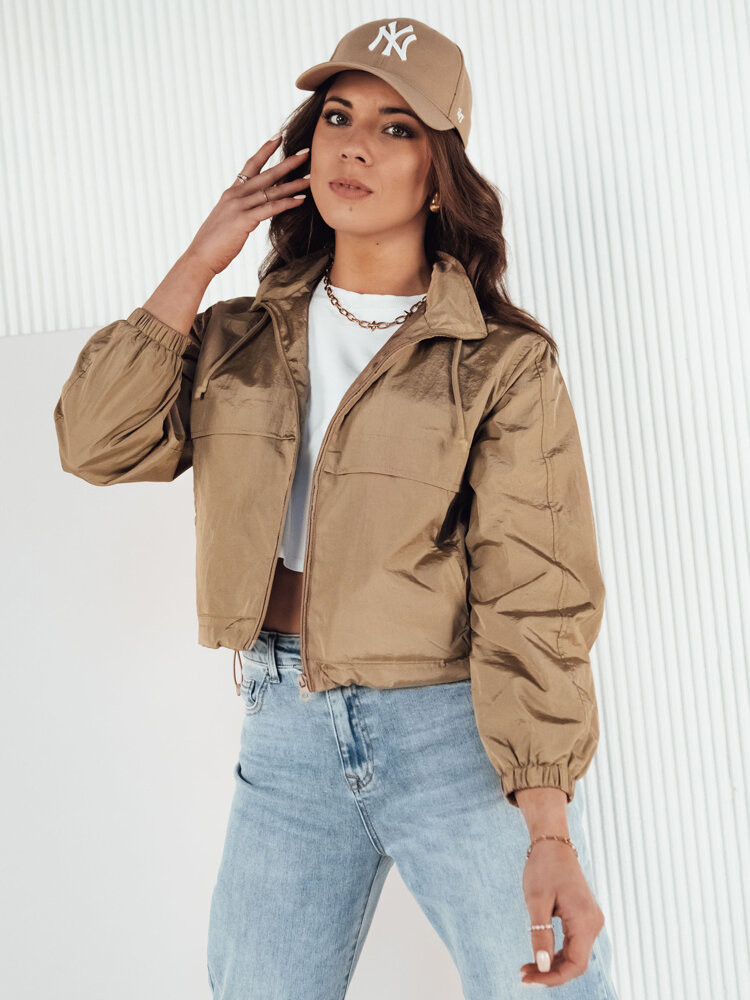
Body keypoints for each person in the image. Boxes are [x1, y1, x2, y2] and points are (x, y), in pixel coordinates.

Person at [53, 17, 620, 1000]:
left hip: (451, 734)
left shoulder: (498, 363)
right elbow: (94, 441)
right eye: (338, 117)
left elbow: (537, 593)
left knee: (551, 990)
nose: (354, 146)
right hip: (285, 732)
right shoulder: (237, 338)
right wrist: (201, 257)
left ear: (440, 175)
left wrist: (548, 827)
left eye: (398, 129)